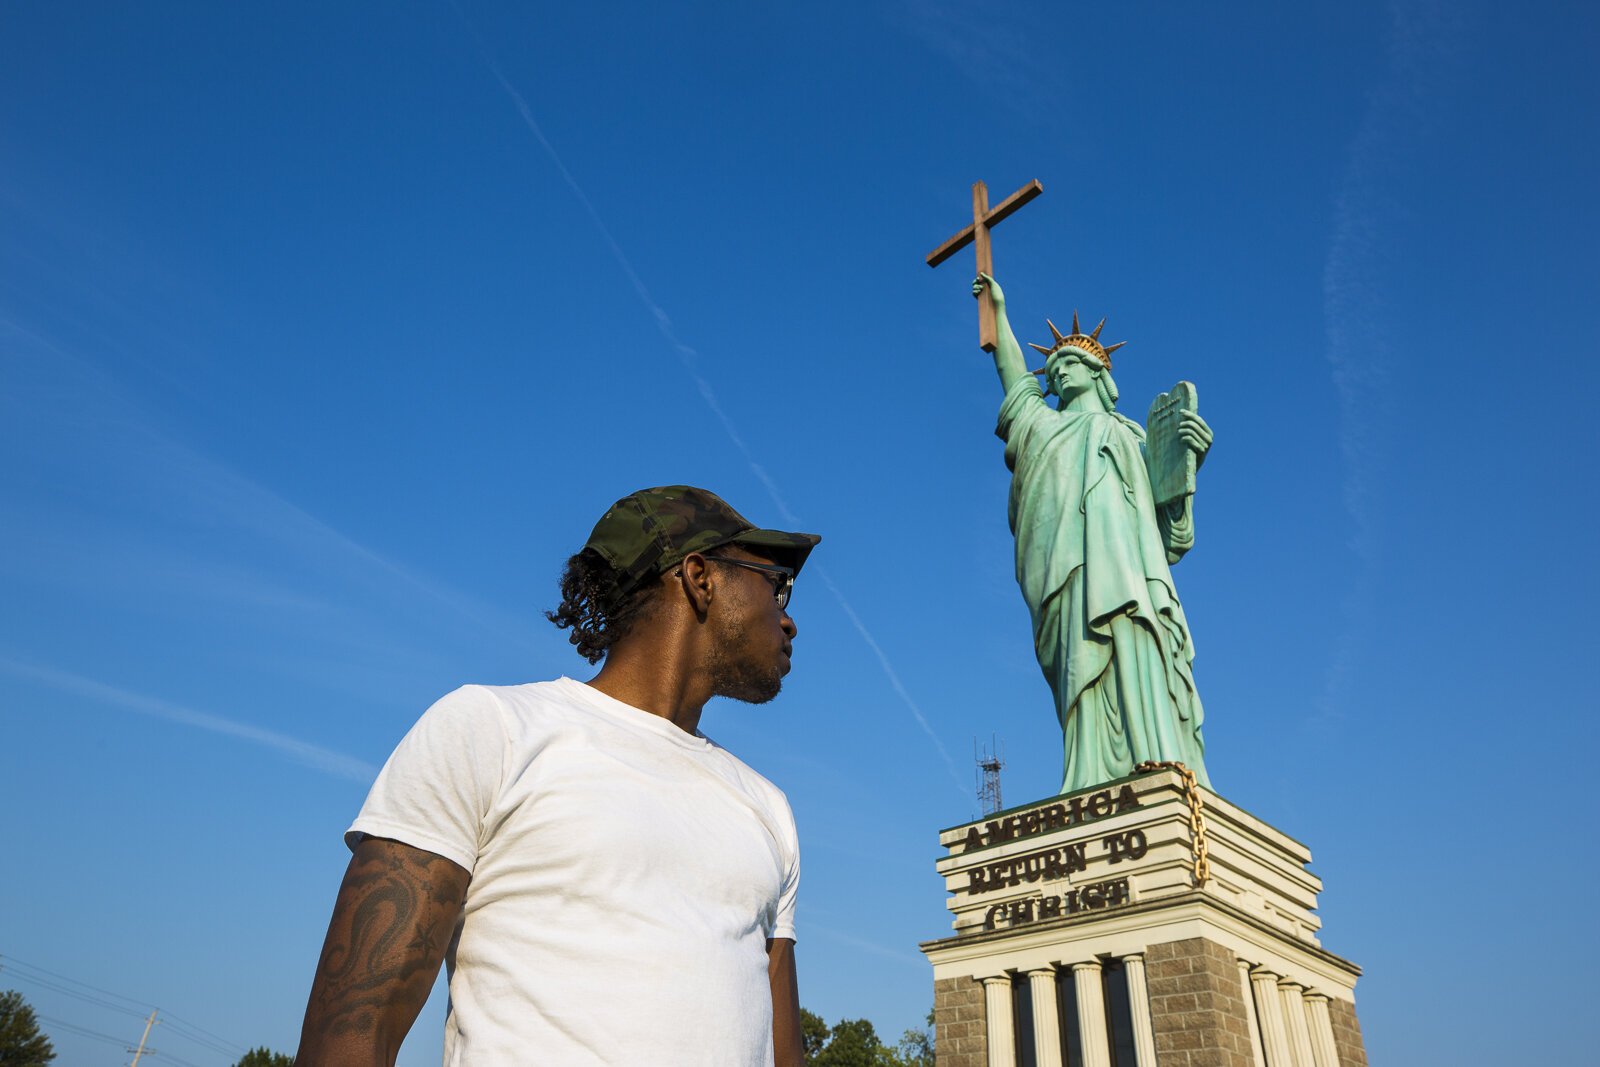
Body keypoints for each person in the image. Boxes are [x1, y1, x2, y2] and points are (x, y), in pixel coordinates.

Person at [294, 485, 820, 1066]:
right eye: (777, 585)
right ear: (700, 576)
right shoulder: (491, 730)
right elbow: (349, 1035)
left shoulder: (768, 809)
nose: (789, 619)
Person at [973, 273, 1214, 793]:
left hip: (1129, 573)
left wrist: (1188, 464)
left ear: (1101, 373)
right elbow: (1014, 376)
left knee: (1135, 644)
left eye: (1072, 363)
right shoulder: (1043, 426)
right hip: (1065, 569)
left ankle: (1159, 758)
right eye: (1054, 368)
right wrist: (998, 311)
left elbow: (1169, 530)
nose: (1059, 372)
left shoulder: (1131, 433)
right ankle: (1089, 773)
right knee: (1082, 657)